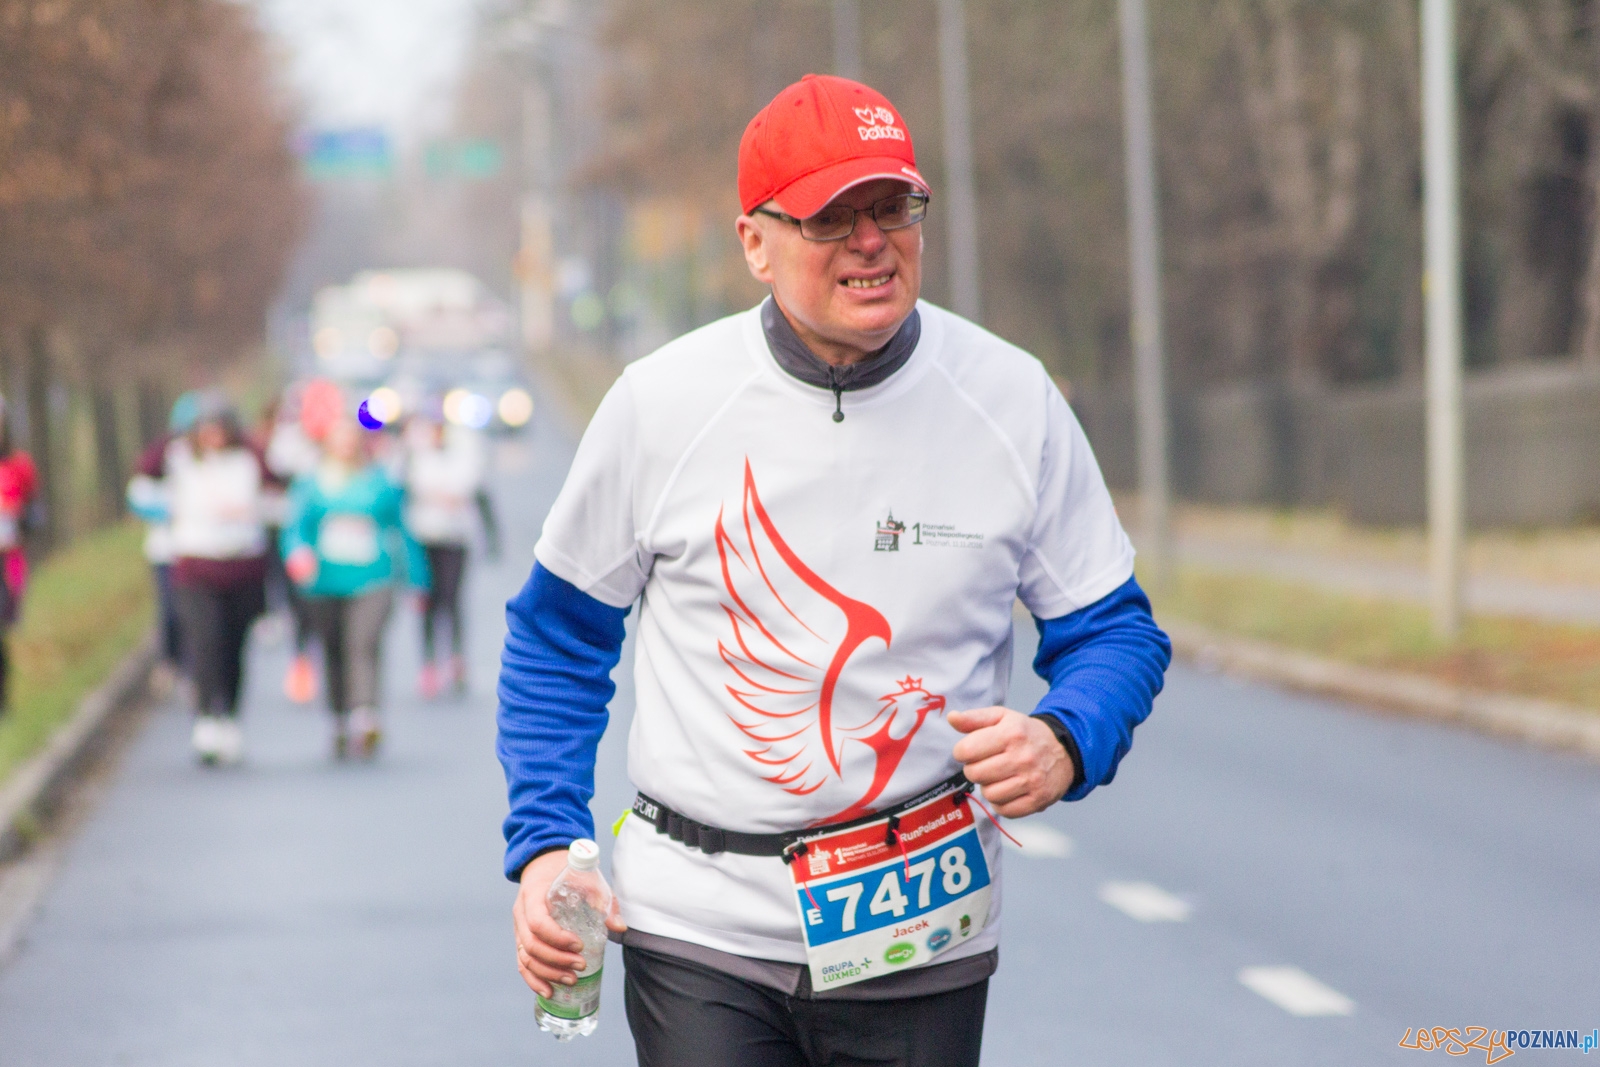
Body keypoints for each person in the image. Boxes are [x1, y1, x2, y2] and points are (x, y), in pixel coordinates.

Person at [497, 74, 1172, 1066]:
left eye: (892, 207)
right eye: (830, 218)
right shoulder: (662, 405)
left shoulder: (1010, 398)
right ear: (755, 242)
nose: (871, 242)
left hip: (922, 938)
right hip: (700, 930)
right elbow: (557, 638)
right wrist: (547, 844)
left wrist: (1066, 737)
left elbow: (1115, 630)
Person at [138, 391, 275, 765]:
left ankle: (229, 716)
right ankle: (205, 718)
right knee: (204, 641)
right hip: (196, 566)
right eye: (205, 429)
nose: (213, 436)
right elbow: (145, 475)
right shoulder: (179, 458)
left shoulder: (248, 460)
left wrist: (251, 510)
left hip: (241, 565)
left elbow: (278, 488)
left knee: (233, 646)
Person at [282, 414, 428, 759]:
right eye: (339, 438)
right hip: (324, 582)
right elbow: (295, 528)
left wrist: (418, 580)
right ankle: (339, 717)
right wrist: (297, 554)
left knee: (363, 642)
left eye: (351, 438)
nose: (346, 445)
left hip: (373, 578)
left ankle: (364, 713)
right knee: (333, 648)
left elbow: (401, 531)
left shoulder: (379, 482)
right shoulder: (310, 484)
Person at [400, 411, 499, 697]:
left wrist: (491, 538)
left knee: (452, 598)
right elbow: (406, 491)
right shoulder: (415, 455)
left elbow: (476, 493)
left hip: (456, 537)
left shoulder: (464, 455)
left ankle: (456, 659)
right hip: (424, 536)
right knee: (427, 600)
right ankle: (429, 663)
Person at [127, 391, 201, 693]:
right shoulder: (162, 455)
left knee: (197, 614)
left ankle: (195, 669)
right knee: (170, 611)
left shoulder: (214, 456)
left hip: (201, 551)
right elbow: (139, 496)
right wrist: (172, 509)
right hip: (167, 551)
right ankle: (170, 662)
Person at [259, 388, 322, 703]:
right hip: (281, 526)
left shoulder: (324, 443)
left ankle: (308, 654)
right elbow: (270, 474)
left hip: (315, 532)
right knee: (287, 591)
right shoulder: (276, 441)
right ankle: (299, 654)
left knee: (310, 600)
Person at [0, 396, 38, 716]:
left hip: (8, 558)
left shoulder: (19, 465)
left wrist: (19, 518)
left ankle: (3, 701)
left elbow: (37, 512)